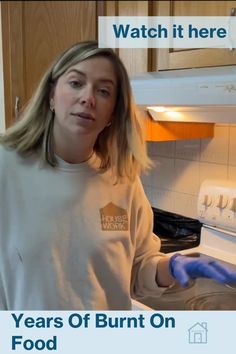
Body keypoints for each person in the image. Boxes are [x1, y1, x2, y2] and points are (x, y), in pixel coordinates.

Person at [0, 41, 235, 310]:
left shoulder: (122, 180)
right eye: (76, 83)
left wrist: (170, 266)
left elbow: (138, 269)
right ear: (51, 94)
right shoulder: (7, 167)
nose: (88, 98)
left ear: (112, 112)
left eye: (103, 91)